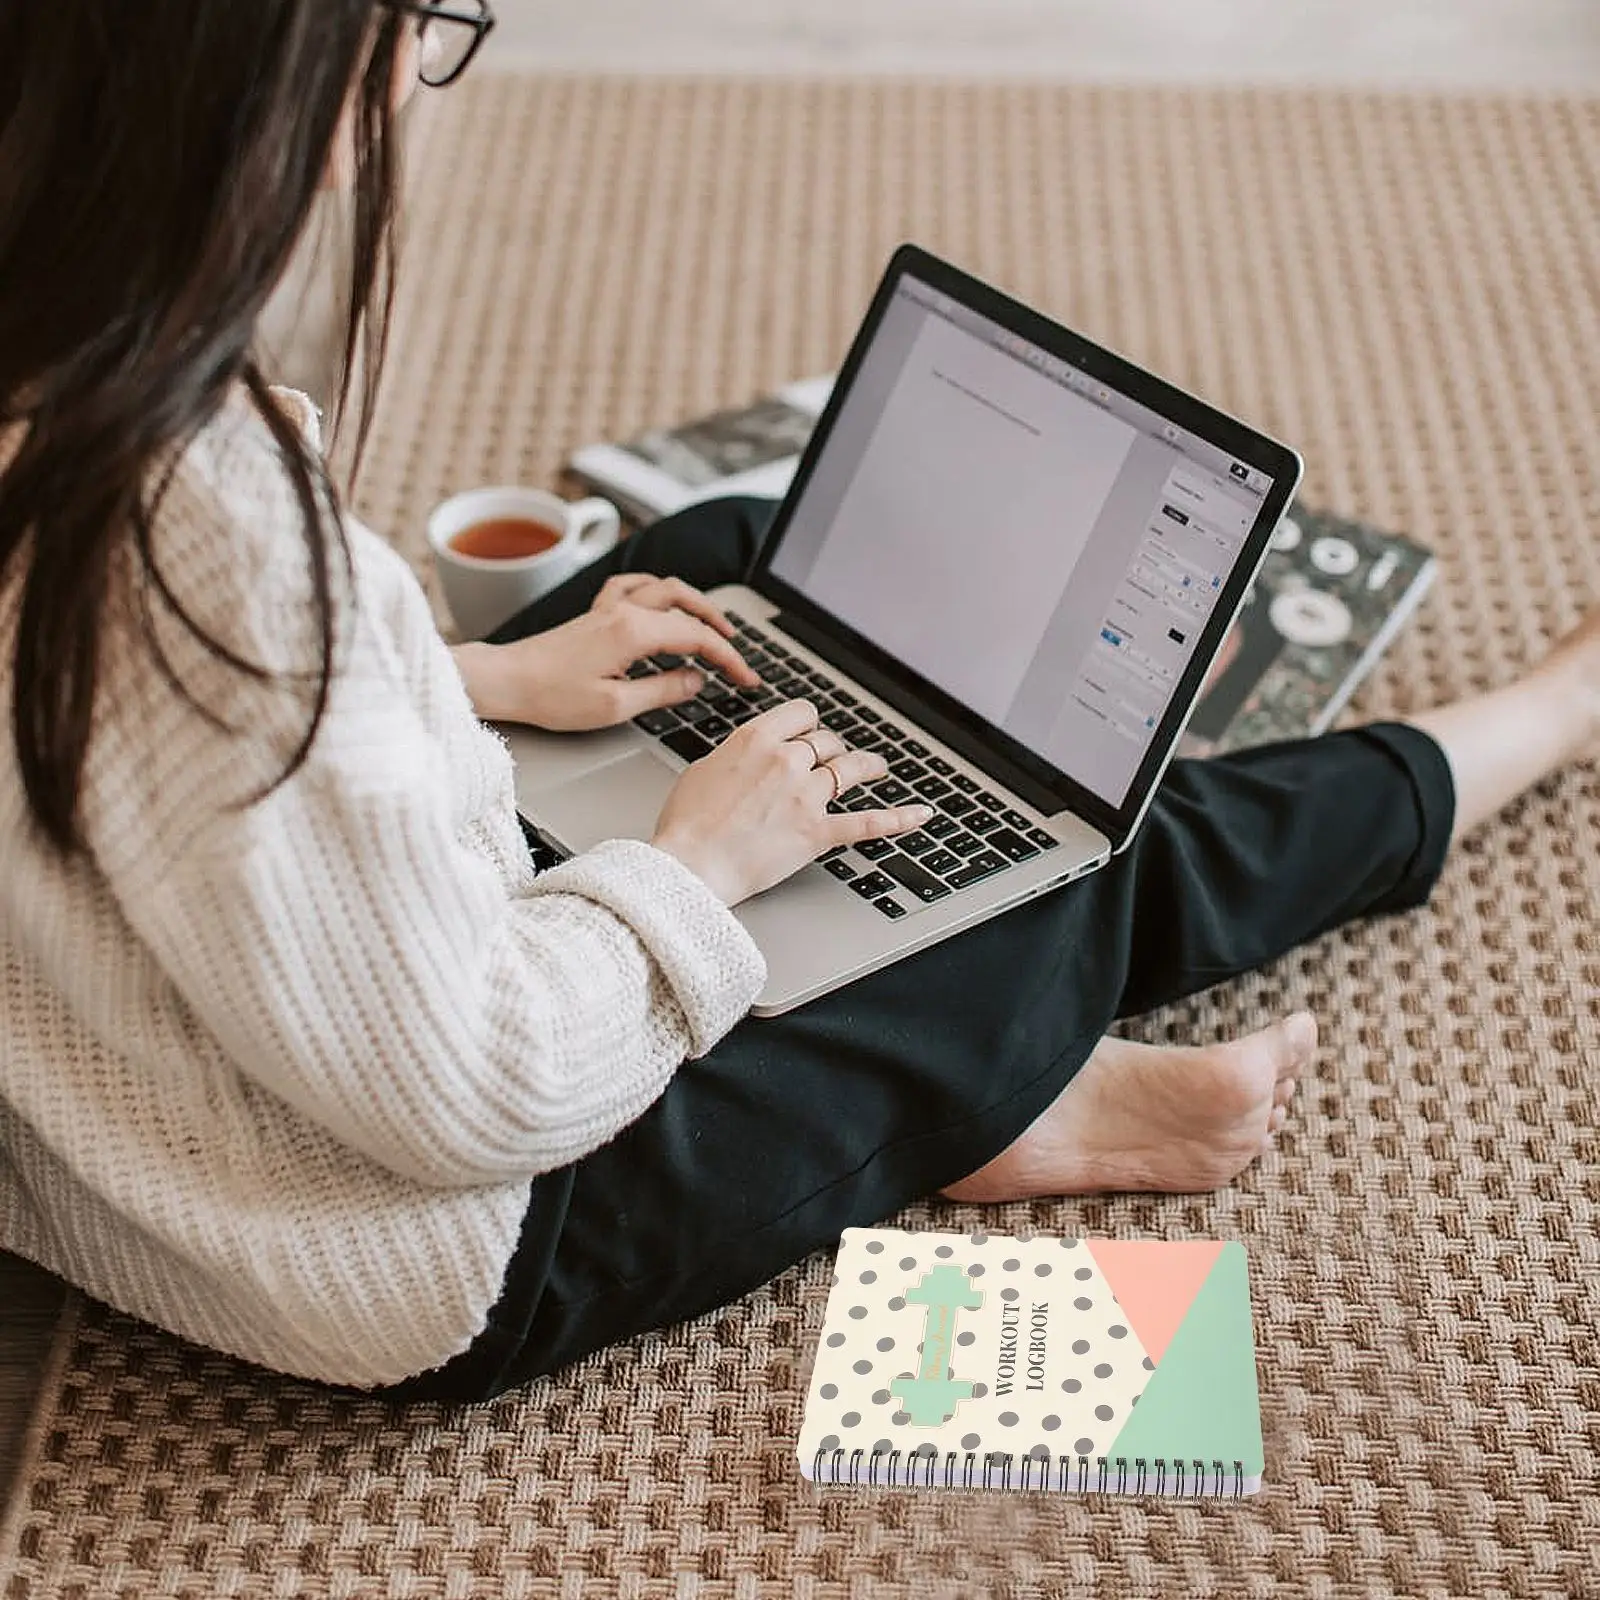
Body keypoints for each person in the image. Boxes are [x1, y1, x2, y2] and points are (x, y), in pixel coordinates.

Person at [1, 2, 1594, 1404]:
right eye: (411, 24)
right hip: (418, 1242)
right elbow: (486, 1085)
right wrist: (702, 863)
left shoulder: (88, 447)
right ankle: (1024, 1073)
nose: (415, 72)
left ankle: (944, 1079)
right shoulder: (221, 557)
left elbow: (175, 754)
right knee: (1080, 857)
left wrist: (482, 681)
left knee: (719, 567)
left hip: (161, 1107)